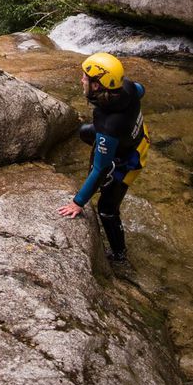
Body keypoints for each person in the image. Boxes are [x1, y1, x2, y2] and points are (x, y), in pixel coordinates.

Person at [58, 51, 150, 262]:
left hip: (129, 161)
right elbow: (141, 90)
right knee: (85, 132)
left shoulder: (109, 125)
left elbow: (100, 168)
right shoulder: (126, 86)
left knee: (106, 209)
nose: (81, 80)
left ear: (97, 85)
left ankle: (119, 255)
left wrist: (78, 202)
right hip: (136, 137)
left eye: (85, 78)